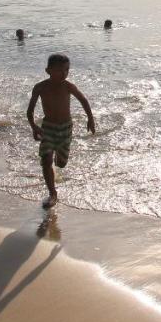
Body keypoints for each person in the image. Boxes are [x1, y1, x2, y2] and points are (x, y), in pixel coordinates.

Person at [27, 53, 95, 209]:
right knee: (46, 160)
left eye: (67, 70)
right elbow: (30, 110)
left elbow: (83, 100)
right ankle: (52, 193)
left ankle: (58, 158)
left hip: (65, 128)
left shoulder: (68, 86)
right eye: (60, 70)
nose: (64, 73)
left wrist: (90, 119)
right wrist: (34, 126)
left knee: (62, 164)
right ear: (48, 70)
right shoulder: (40, 87)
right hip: (48, 128)